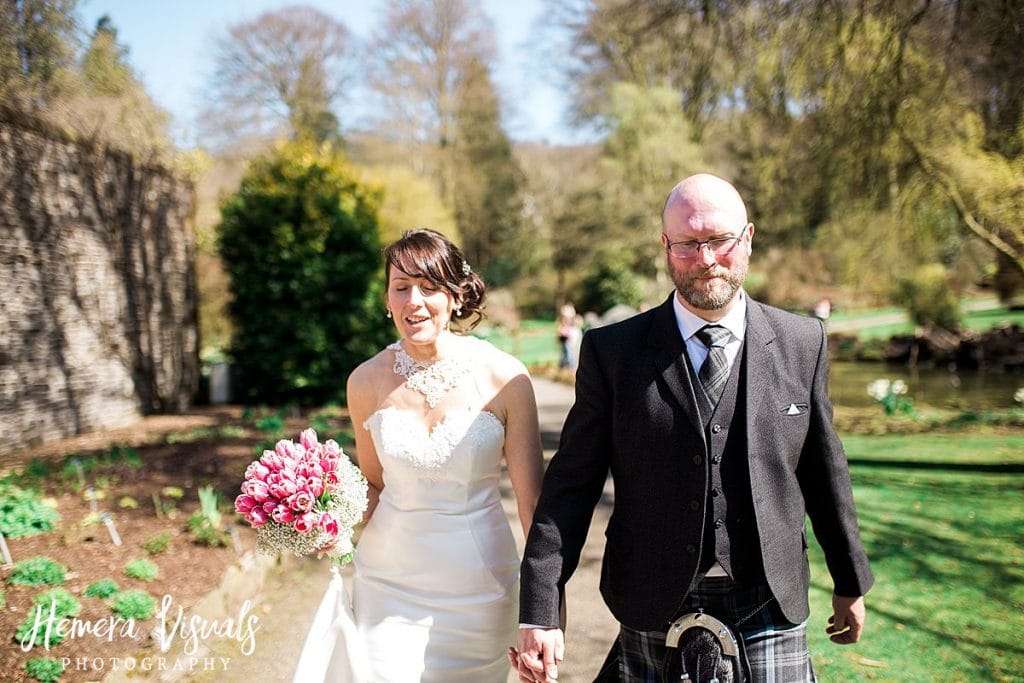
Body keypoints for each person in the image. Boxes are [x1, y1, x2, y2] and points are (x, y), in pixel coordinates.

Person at [514, 174, 873, 682]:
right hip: (650, 598)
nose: (705, 259)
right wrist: (540, 608)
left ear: (747, 238)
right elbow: (571, 486)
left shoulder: (802, 341)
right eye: (687, 243)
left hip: (769, 601)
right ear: (666, 246)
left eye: (719, 240)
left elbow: (823, 470)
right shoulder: (613, 352)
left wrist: (850, 579)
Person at [299, 228, 544, 682]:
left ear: (455, 295)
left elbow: (535, 511)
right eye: (401, 287)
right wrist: (327, 523)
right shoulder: (365, 382)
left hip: (481, 592)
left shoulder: (506, 378)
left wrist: (546, 615)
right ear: (387, 300)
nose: (414, 301)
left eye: (429, 287)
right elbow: (373, 485)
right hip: (387, 587)